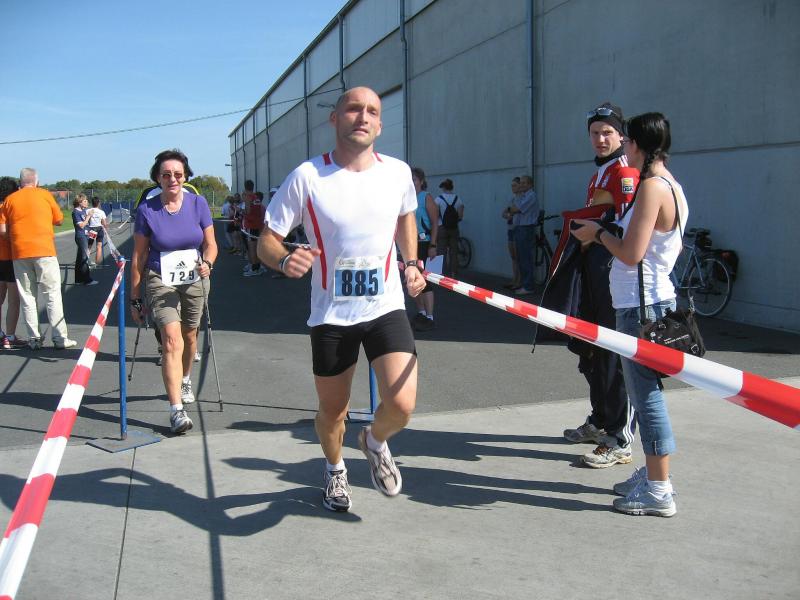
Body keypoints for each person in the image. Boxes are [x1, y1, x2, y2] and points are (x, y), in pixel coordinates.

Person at [258, 86, 425, 513]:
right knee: (333, 411)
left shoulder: (397, 173)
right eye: (353, 109)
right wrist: (284, 260)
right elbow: (267, 241)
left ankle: (374, 440)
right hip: (332, 314)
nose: (362, 116)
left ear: (380, 125)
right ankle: (335, 468)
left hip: (385, 306)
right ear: (335, 118)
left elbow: (406, 216)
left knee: (402, 405)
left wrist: (411, 262)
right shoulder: (308, 176)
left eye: (372, 111)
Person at [571, 112, 686, 517]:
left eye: (626, 141)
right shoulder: (669, 184)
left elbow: (631, 253)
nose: (623, 148)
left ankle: (659, 489)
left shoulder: (652, 187)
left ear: (636, 144)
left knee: (646, 399)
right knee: (645, 395)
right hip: (646, 302)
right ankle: (653, 476)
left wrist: (598, 233)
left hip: (642, 307)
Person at [563, 103, 640, 469]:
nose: (600, 138)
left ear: (621, 135)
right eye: (595, 132)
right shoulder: (601, 172)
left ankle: (619, 436)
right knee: (592, 349)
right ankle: (600, 420)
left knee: (614, 352)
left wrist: (595, 233)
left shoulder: (623, 171)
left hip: (612, 272)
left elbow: (627, 226)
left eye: (607, 132)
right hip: (593, 270)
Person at [130, 149, 217, 434]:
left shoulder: (198, 203)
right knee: (171, 340)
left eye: (178, 174)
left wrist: (208, 263)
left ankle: (186, 378)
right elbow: (139, 256)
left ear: (185, 176)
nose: (172, 179)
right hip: (160, 278)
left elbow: (211, 244)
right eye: (166, 174)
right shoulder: (147, 210)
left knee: (190, 336)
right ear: (157, 178)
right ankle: (176, 410)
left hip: (194, 278)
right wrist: (135, 297)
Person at [0, 168, 76, 350]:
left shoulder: (10, 200)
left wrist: (16, 239)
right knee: (52, 295)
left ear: (21, 182)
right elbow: (59, 220)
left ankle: (34, 338)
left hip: (19, 253)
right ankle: (60, 338)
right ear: (36, 181)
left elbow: (3, 230)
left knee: (27, 297)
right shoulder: (45, 195)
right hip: (44, 250)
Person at [410, 167, 438, 331]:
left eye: (414, 179)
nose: (412, 182)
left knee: (426, 281)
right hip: (411, 245)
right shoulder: (406, 198)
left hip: (425, 243)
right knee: (412, 280)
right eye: (410, 179)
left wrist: (433, 245)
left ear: (421, 181)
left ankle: (429, 316)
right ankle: (421, 312)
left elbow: (435, 223)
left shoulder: (426, 197)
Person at [0, 176, 24, 349]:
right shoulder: (7, 208)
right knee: (14, 300)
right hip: (9, 258)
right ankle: (10, 336)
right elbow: (5, 232)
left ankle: (2, 334)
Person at [507, 175, 539, 295]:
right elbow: (511, 209)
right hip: (520, 228)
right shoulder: (524, 196)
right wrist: (511, 209)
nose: (521, 185)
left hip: (526, 229)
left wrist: (511, 209)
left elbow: (515, 209)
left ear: (530, 184)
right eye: (521, 183)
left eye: (524, 183)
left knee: (525, 258)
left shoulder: (531, 196)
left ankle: (528, 286)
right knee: (521, 257)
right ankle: (525, 284)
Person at [434, 178, 463, 277]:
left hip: (442, 228)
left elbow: (435, 215)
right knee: (454, 251)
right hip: (454, 228)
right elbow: (460, 216)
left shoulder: (438, 199)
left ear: (443, 188)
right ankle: (453, 273)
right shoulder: (458, 199)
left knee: (441, 251)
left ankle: (441, 274)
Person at [71, 194, 97, 286]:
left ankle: (78, 280)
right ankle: (87, 280)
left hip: (85, 235)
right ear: (79, 202)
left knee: (79, 259)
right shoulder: (76, 212)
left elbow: (87, 223)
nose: (87, 202)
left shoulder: (83, 211)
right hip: (81, 236)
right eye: (85, 201)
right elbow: (81, 225)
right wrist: (88, 216)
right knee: (84, 258)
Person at [501, 177, 521, 290]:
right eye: (512, 185)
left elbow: (515, 211)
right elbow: (504, 213)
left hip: (518, 228)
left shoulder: (522, 199)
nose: (513, 187)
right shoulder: (512, 199)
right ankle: (514, 279)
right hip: (510, 228)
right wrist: (508, 214)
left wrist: (510, 212)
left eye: (515, 185)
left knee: (518, 256)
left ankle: (519, 281)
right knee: (513, 256)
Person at [242, 183, 266, 277]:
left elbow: (248, 212)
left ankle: (254, 268)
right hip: (258, 225)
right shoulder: (257, 198)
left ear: (245, 188)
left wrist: (241, 211)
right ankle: (258, 267)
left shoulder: (249, 198)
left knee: (251, 248)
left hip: (251, 225)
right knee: (256, 247)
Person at [87, 197, 108, 266]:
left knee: (89, 246)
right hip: (99, 229)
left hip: (92, 229)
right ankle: (97, 263)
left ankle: (86, 261)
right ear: (98, 203)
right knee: (99, 246)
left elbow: (86, 219)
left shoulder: (88, 210)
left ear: (92, 203)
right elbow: (104, 223)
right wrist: (106, 227)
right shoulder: (101, 212)